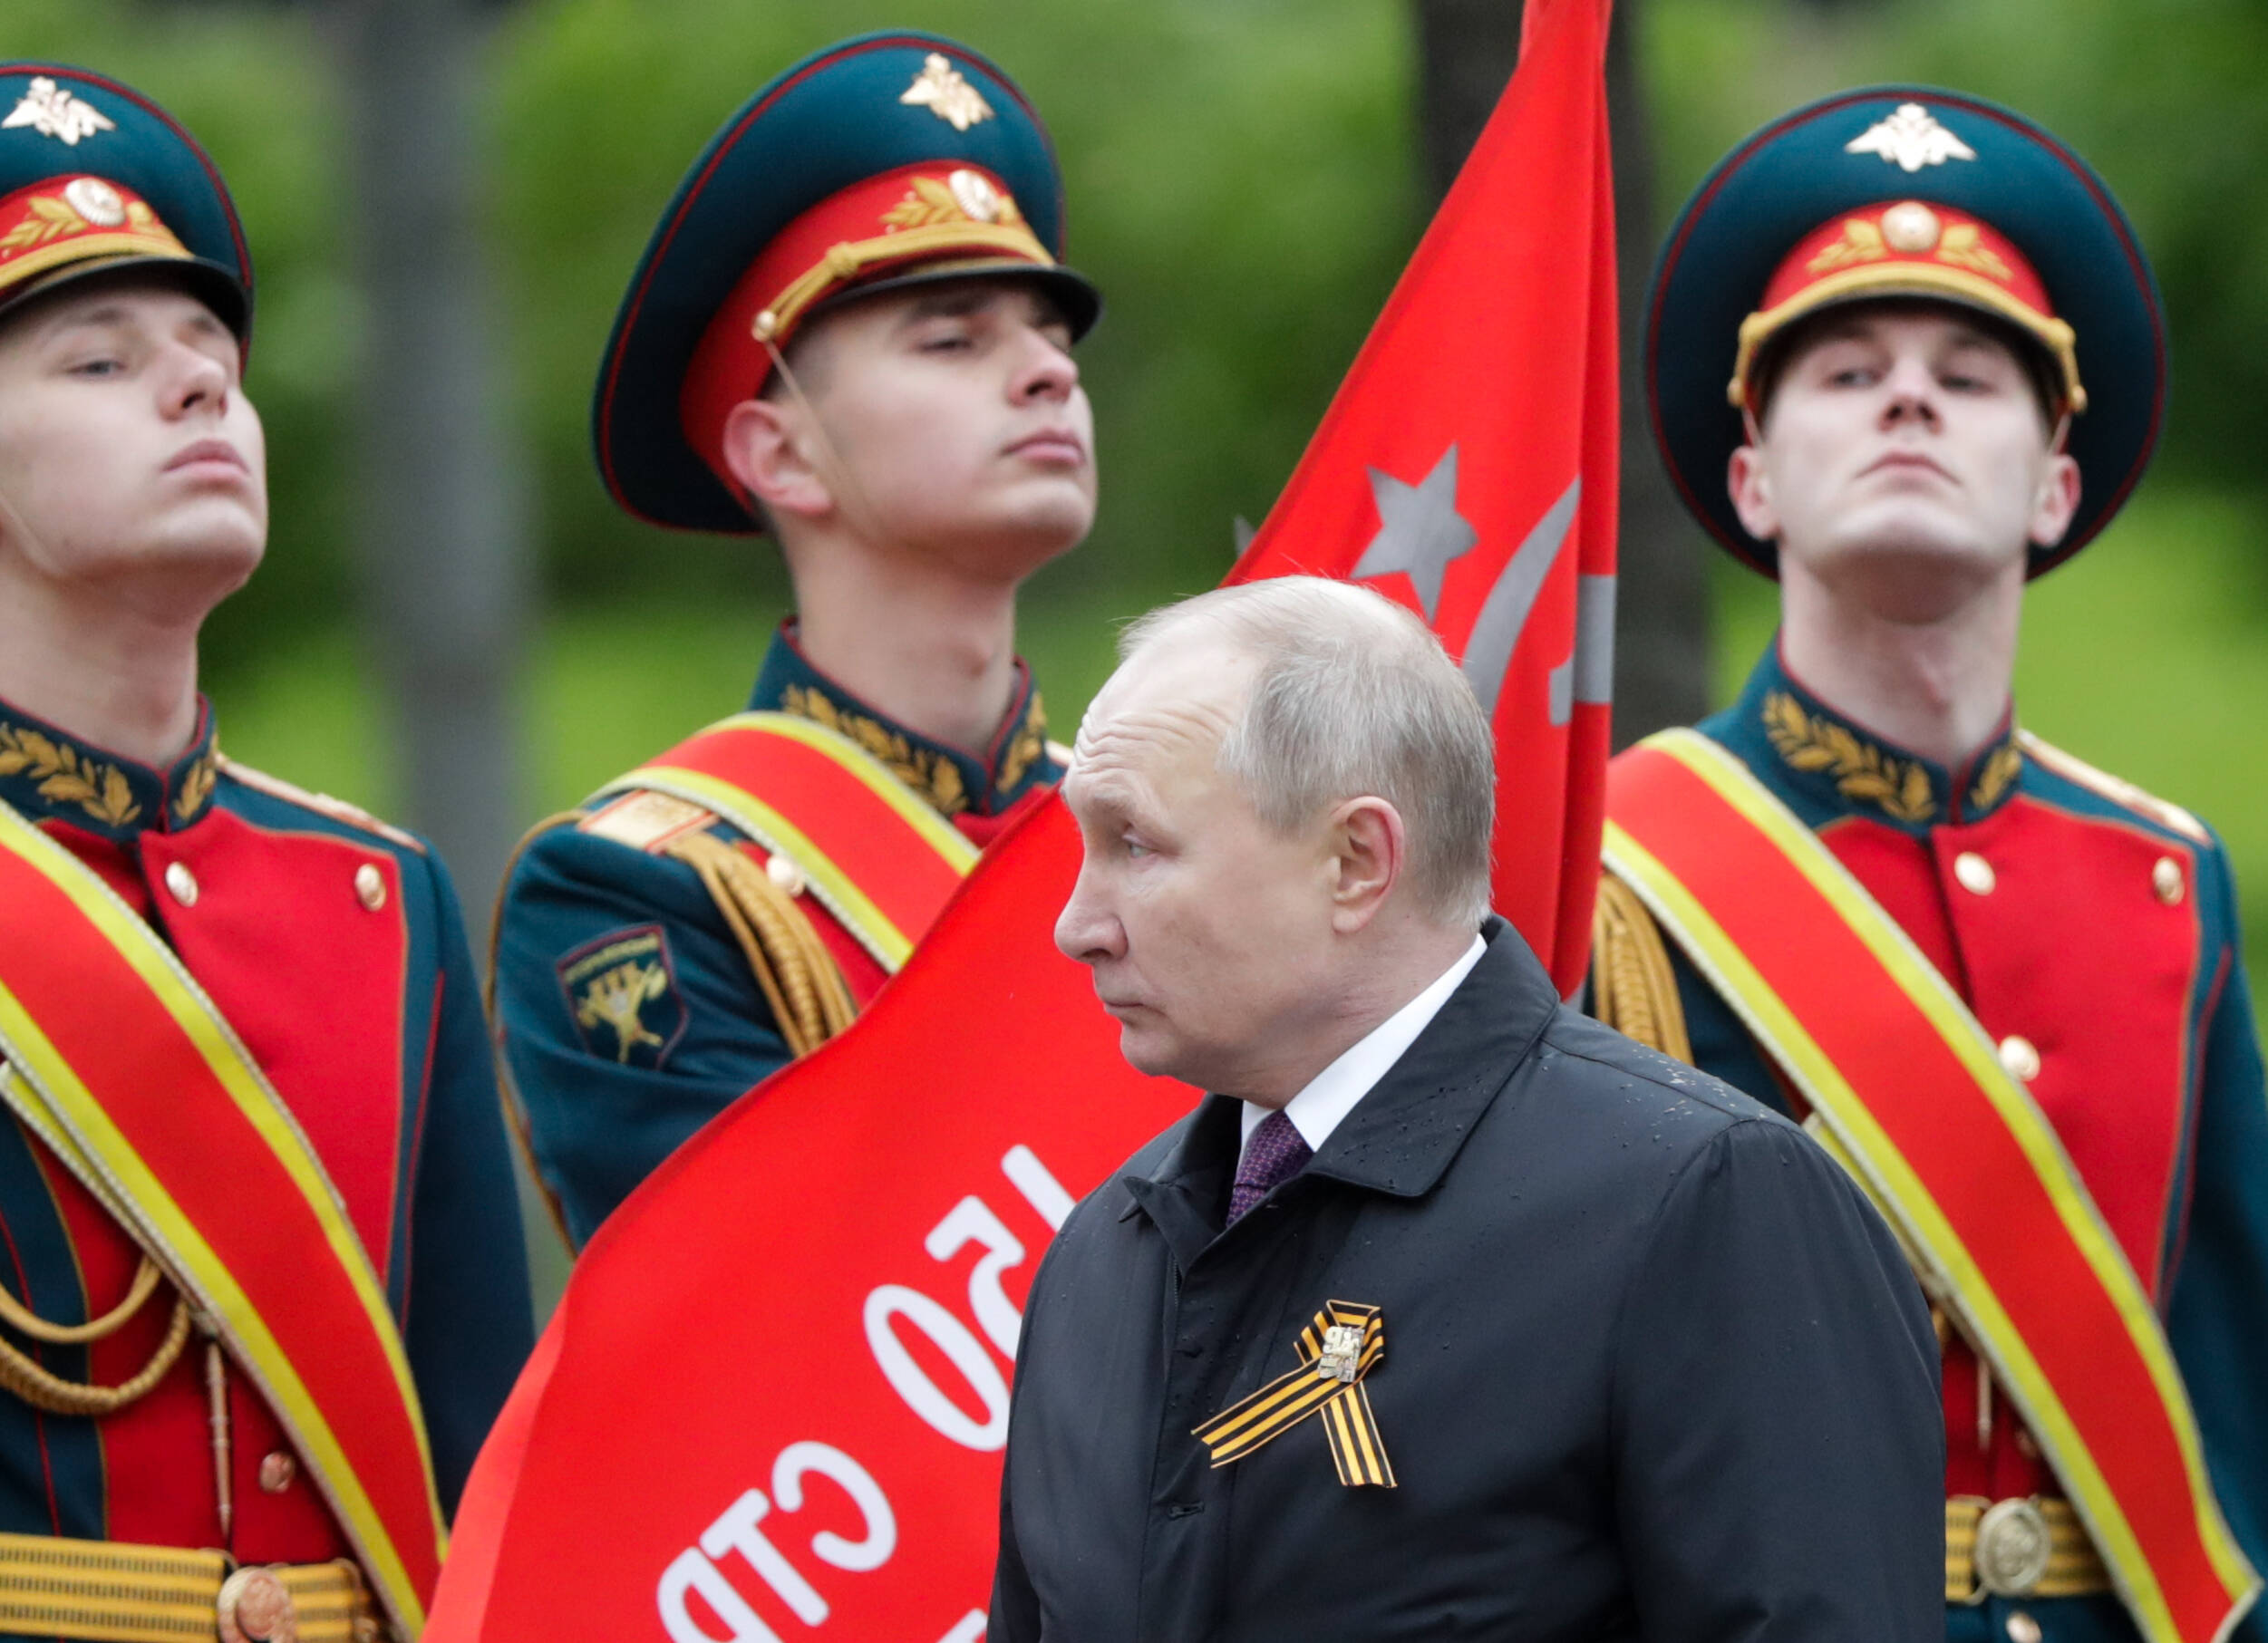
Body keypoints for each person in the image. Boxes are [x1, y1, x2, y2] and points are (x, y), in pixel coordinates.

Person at [0, 64, 530, 1643]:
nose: (197, 396)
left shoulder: (389, 897)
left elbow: (485, 1469)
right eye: (100, 363)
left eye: (213, 368)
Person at [1594, 88, 2268, 1643]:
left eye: (1967, 377)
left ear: (2049, 483)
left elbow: (2234, 1378)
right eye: (1844, 373)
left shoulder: (2167, 876)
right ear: (1752, 476)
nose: (1907, 401)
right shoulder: (1620, 863)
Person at [993, 576, 1941, 1641]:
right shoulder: (1101, 1251)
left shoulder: (1702, 1205)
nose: (1078, 925)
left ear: (1356, 862)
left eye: (1136, 844)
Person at [492, 32, 1102, 1248]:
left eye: (1050, 338)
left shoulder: (1162, 827)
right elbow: (761, 1347)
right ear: (777, 453)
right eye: (952, 338)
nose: (1044, 372)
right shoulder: (644, 886)